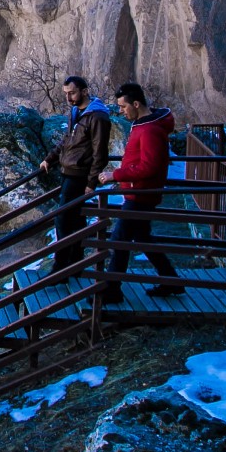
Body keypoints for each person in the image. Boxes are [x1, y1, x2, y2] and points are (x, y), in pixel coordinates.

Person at [97, 83, 184, 298]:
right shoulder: (142, 124)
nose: (121, 111)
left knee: (119, 238)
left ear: (136, 104)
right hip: (139, 191)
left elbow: (149, 166)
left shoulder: (150, 129)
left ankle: (112, 290)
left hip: (141, 194)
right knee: (142, 238)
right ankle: (171, 281)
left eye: (123, 107)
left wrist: (116, 175)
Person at [42, 76, 111, 274]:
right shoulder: (76, 112)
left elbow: (100, 153)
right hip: (68, 171)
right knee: (76, 220)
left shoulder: (97, 117)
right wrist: (50, 159)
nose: (68, 98)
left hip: (79, 175)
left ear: (84, 91)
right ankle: (76, 264)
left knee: (62, 219)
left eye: (72, 93)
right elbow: (67, 141)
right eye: (66, 94)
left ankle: (61, 267)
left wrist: (91, 182)